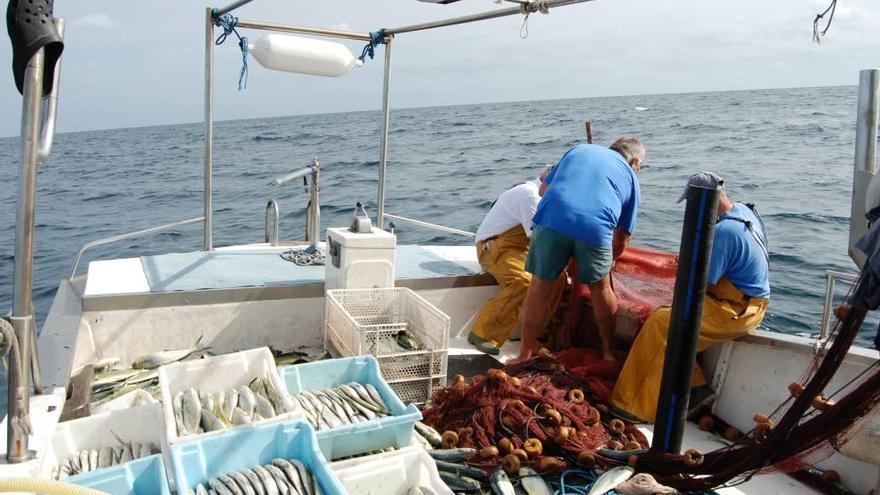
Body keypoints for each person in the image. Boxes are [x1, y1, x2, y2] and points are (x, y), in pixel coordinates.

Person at [610, 172, 771, 423]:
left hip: (735, 309)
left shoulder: (723, 232)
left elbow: (702, 283)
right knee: (673, 317)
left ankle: (632, 407)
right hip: (741, 302)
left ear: (703, 201)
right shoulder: (744, 211)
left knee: (663, 323)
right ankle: (695, 390)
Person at [516, 138, 645, 362]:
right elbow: (622, 239)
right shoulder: (631, 178)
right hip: (594, 229)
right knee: (601, 289)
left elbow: (544, 189)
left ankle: (524, 354)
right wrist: (605, 263)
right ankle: (608, 352)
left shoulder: (579, 150)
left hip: (551, 220)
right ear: (635, 162)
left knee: (539, 287)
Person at [468, 164, 563, 355]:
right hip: (493, 247)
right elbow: (538, 237)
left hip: (519, 249)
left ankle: (537, 333)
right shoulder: (530, 195)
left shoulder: (545, 198)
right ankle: (484, 333)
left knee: (558, 278)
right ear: (549, 182)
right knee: (522, 280)